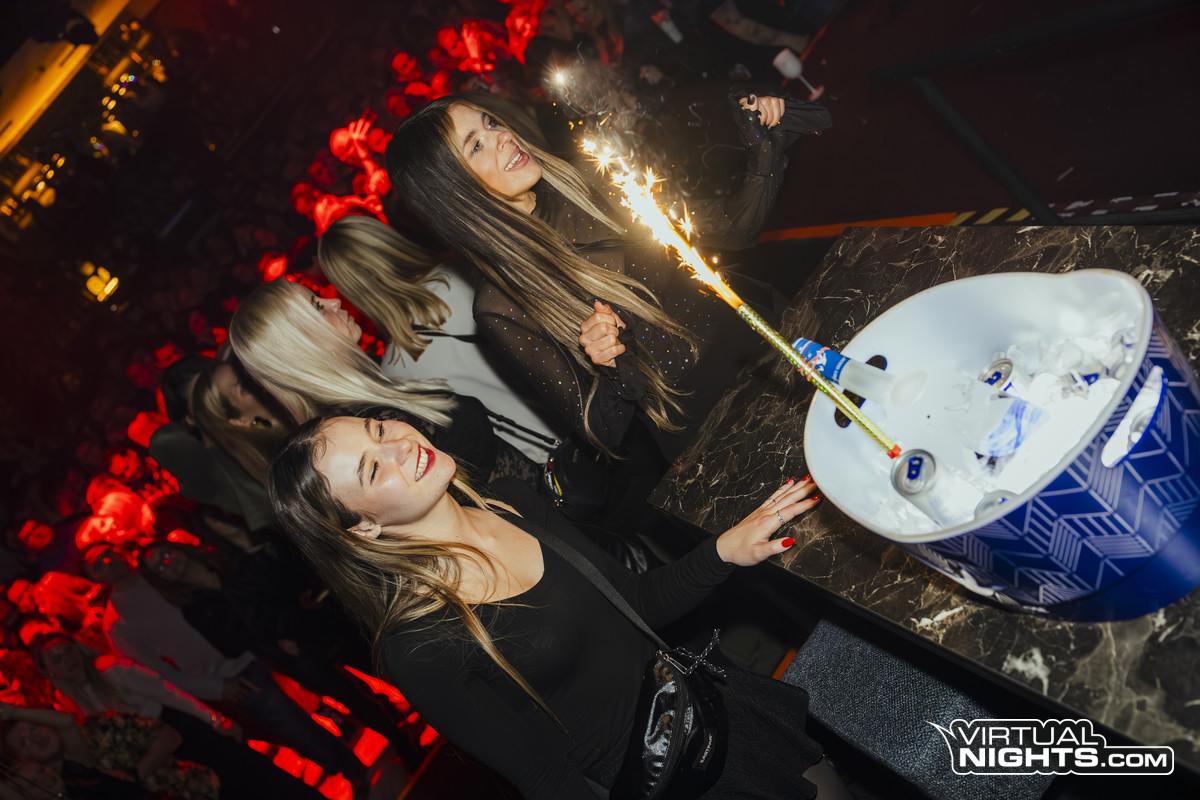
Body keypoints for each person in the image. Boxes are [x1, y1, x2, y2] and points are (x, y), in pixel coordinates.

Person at [268, 411, 845, 799]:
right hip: (672, 784)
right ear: (362, 528)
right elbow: (548, 783)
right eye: (373, 468)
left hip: (713, 703)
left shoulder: (509, 502)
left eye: (377, 428)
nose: (399, 444)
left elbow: (636, 603)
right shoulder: (418, 643)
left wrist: (725, 550)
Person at [385, 92, 828, 465]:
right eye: (476, 146)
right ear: (456, 192)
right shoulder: (502, 304)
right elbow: (602, 430)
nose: (502, 137)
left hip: (766, 337)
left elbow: (731, 228)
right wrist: (608, 363)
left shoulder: (587, 176)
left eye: (491, 123)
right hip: (717, 423)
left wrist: (762, 148)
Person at [81, 544, 370, 795]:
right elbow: (160, 673)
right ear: (93, 578)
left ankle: (376, 722)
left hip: (258, 640)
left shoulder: (162, 572)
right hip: (229, 674)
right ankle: (351, 770)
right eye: (97, 565)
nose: (107, 562)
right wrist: (216, 687)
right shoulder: (117, 624)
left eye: (107, 554)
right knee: (291, 726)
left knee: (327, 683)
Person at [228, 278, 539, 486]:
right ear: (300, 346)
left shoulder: (365, 404)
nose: (333, 301)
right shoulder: (368, 427)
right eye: (317, 306)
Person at [319, 214, 565, 462]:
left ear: (351, 290)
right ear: (387, 238)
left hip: (537, 459)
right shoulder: (462, 272)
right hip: (569, 403)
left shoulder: (394, 372)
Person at [31, 634, 327, 800]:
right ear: (47, 671)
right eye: (56, 658)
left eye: (67, 650)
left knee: (261, 779)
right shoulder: (71, 707)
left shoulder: (111, 670)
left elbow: (168, 693)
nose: (66, 659)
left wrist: (215, 720)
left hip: (186, 732)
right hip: (162, 762)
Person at [0, 701, 219, 800]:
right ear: (21, 757)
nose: (35, 738)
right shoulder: (51, 783)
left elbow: (171, 736)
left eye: (34, 728)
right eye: (23, 743)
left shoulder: (94, 732)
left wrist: (12, 711)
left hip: (204, 788)